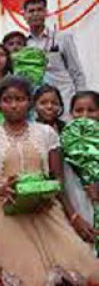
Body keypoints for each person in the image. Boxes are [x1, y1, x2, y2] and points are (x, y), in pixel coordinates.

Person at [0, 76, 98, 285]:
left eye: (20, 99)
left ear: (29, 102)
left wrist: (73, 216)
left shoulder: (46, 133)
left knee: (84, 268)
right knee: (27, 276)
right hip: (6, 214)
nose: (14, 105)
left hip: (45, 210)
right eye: (7, 99)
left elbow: (58, 179)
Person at [24, 0, 87, 114]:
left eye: (39, 10)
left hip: (64, 99)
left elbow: (76, 72)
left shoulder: (62, 38)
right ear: (25, 16)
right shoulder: (23, 43)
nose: (35, 14)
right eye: (31, 11)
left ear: (46, 13)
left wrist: (81, 100)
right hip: (37, 104)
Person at [63, 91, 99, 258]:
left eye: (91, 110)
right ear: (71, 113)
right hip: (77, 205)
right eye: (79, 111)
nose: (85, 116)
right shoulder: (62, 141)